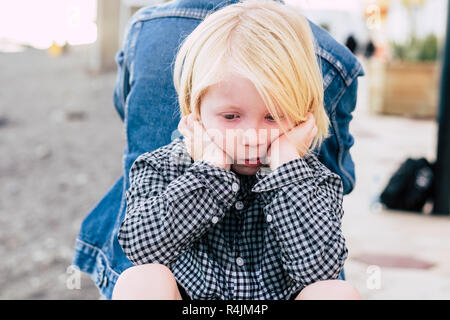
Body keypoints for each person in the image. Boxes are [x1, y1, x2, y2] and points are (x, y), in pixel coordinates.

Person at [72, 0, 364, 299]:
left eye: (273, 117)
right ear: (195, 110)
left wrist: (286, 165)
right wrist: (211, 169)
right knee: (142, 279)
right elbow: (140, 247)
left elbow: (320, 270)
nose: (251, 137)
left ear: (303, 114)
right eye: (230, 117)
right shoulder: (162, 165)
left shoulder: (313, 179)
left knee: (336, 292)